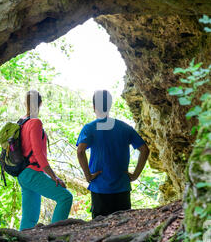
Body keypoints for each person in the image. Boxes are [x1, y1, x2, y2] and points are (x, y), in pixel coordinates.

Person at [76, 90, 150, 219]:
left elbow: (80, 151)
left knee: (100, 227)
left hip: (99, 187)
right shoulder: (124, 127)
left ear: (94, 107)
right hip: (122, 186)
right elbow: (144, 150)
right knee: (123, 225)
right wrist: (135, 174)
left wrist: (88, 175)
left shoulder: (90, 128)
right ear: (109, 106)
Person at [17, 90, 73, 230]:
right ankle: (55, 233)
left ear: (26, 103)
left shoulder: (22, 122)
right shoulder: (35, 122)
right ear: (40, 103)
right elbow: (38, 153)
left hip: (22, 174)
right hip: (33, 173)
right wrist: (54, 177)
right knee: (65, 197)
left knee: (29, 218)